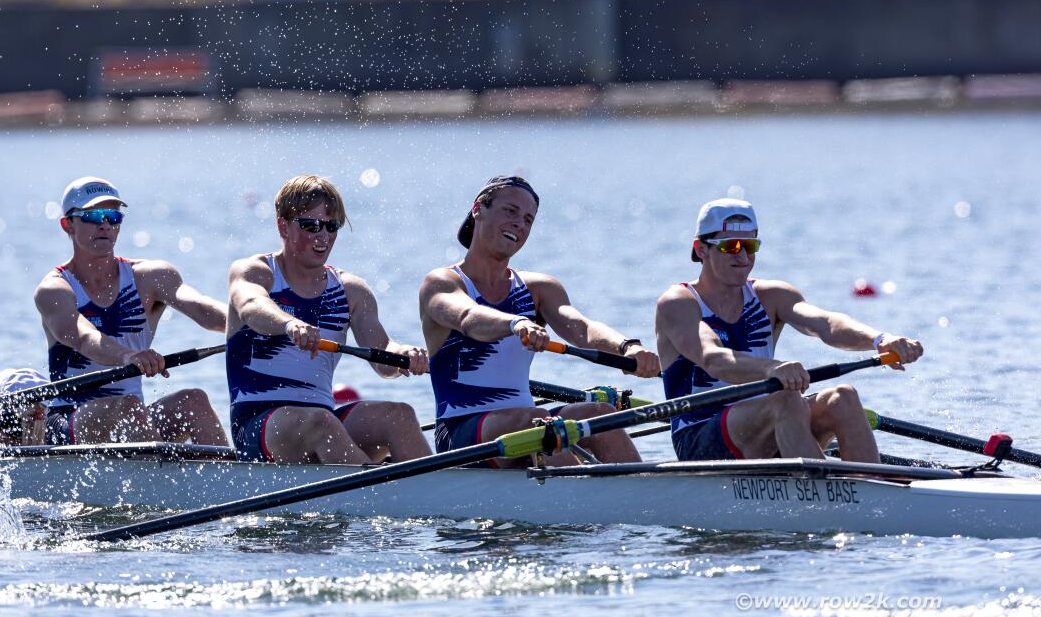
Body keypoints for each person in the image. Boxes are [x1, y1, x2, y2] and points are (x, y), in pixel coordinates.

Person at [654, 198, 924, 462]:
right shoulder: (678, 303)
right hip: (700, 435)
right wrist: (770, 368)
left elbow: (827, 324)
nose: (744, 257)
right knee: (786, 399)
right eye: (731, 247)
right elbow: (713, 359)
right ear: (701, 249)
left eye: (750, 245)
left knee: (843, 398)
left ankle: (870, 490)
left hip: (770, 420)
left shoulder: (771, 296)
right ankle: (824, 493)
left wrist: (879, 339)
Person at [419, 175, 661, 468]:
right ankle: (588, 493)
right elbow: (469, 318)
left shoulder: (539, 289)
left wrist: (627, 348)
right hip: (460, 433)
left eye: (528, 219)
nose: (519, 224)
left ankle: (645, 493)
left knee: (599, 413)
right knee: (539, 424)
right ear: (478, 209)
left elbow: (582, 328)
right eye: (510, 211)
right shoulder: (442, 282)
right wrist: (516, 324)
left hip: (528, 423)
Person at [226, 174, 431, 464]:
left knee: (399, 415)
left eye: (331, 226)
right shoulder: (256, 272)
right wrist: (289, 324)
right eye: (310, 226)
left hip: (322, 417)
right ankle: (384, 494)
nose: (322, 237)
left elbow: (382, 355)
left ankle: (445, 500)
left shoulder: (351, 291)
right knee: (322, 423)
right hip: (257, 424)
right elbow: (250, 306)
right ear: (282, 225)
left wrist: (405, 355)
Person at [34, 176, 229, 446]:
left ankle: (224, 482)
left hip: (132, 418)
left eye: (113, 216)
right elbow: (84, 337)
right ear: (67, 224)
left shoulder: (151, 277)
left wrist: (262, 323)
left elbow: (204, 309)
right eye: (93, 215)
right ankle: (161, 481)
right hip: (69, 420)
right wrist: (129, 355)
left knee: (193, 401)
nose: (105, 224)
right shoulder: (54, 289)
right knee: (128, 408)